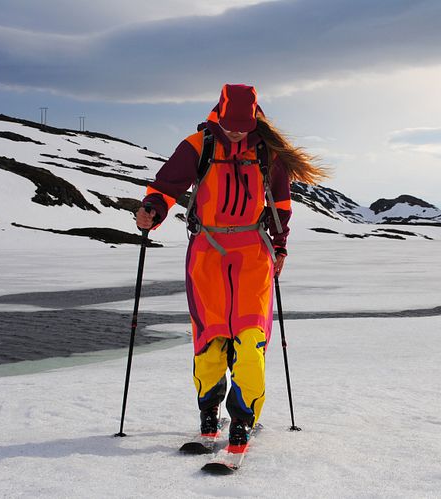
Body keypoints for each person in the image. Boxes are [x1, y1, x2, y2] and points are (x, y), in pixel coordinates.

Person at [136, 83, 326, 447]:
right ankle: (209, 412)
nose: (237, 130)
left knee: (250, 341)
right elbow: (165, 187)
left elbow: (281, 207)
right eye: (231, 123)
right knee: (210, 343)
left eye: (244, 124)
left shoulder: (269, 153)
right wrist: (151, 212)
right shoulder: (198, 145)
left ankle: (243, 419)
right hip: (206, 254)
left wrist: (280, 248)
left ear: (255, 118)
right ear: (219, 114)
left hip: (254, 255)